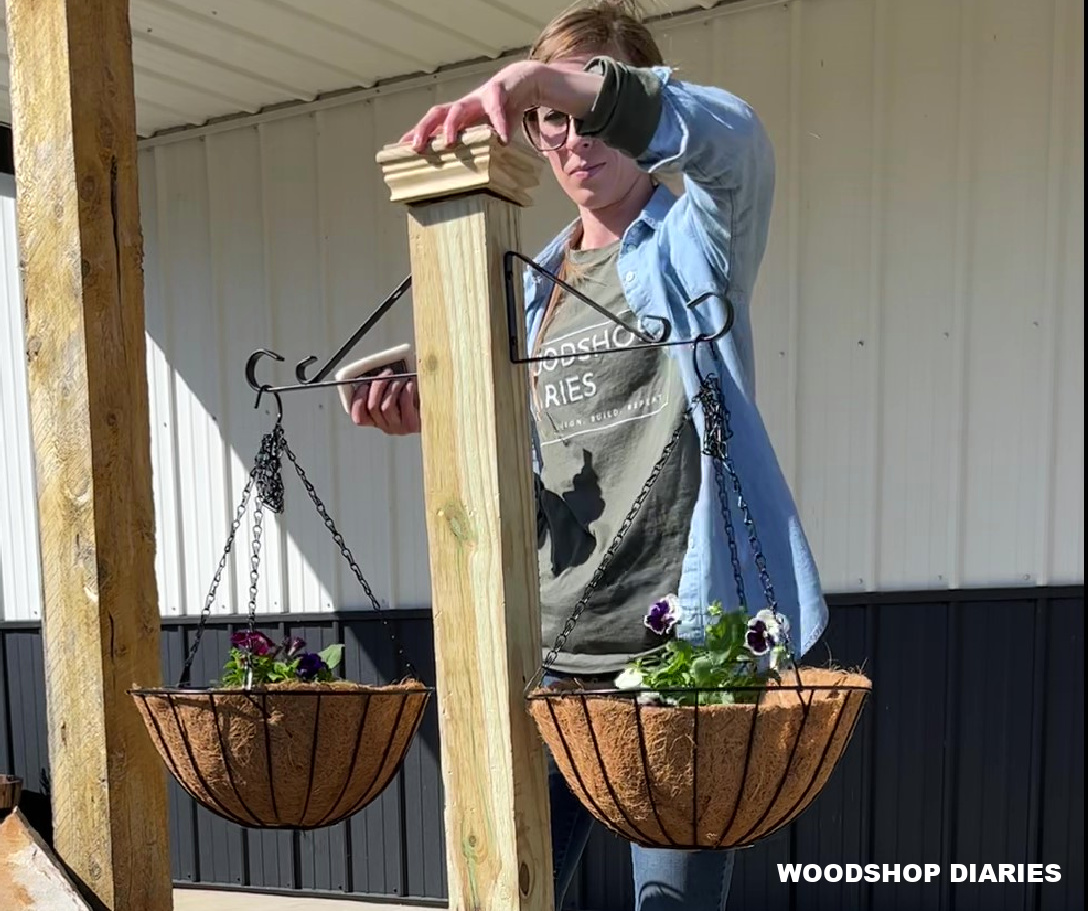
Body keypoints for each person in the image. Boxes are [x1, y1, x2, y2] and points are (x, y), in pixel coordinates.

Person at [349, 2, 828, 908]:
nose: (571, 139)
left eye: (589, 109)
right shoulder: (533, 289)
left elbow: (739, 145)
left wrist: (550, 80)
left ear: (639, 106)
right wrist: (433, 407)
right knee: (507, 891)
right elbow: (537, 458)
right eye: (549, 121)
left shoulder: (697, 247)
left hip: (679, 658)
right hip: (549, 657)